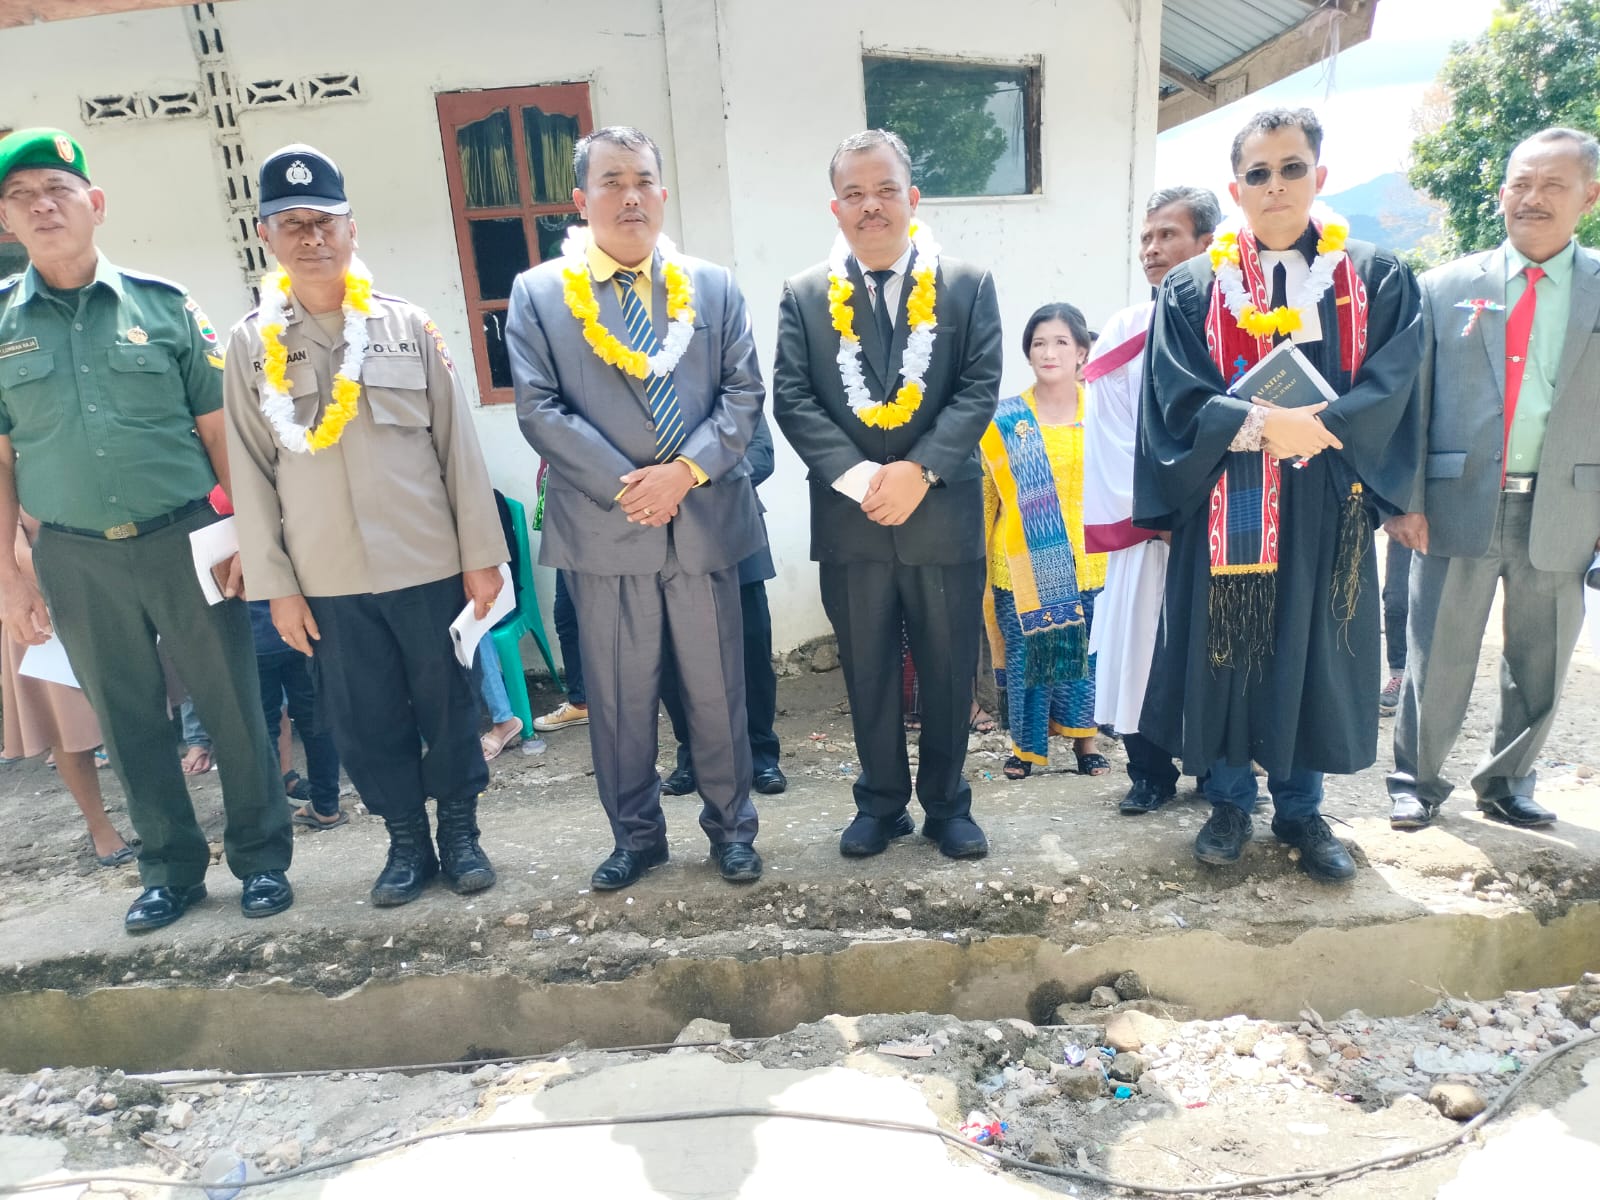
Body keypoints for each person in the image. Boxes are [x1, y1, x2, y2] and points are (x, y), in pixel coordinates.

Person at [0, 128, 294, 933]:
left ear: (94, 205)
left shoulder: (165, 307)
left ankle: (262, 860)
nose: (43, 207)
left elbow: (218, 433)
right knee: (127, 720)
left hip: (187, 537)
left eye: (58, 190)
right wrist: (12, 575)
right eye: (23, 198)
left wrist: (246, 536)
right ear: (5, 222)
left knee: (231, 703)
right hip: (74, 553)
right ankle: (170, 870)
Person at [1134, 107, 1424, 881]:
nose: (1275, 186)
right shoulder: (1195, 287)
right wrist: (1263, 426)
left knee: (1312, 647)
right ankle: (1229, 802)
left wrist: (1321, 426)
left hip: (1328, 505)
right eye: (1258, 173)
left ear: (1319, 177)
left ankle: (1301, 808)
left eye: (1291, 168)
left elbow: (1395, 382)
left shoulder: (1373, 276)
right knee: (1227, 648)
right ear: (1237, 188)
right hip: (1229, 502)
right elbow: (1174, 396)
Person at [223, 143, 508, 906]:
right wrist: (276, 589)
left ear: (353, 230)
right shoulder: (252, 345)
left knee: (450, 705)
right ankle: (405, 845)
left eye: (325, 221)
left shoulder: (407, 327)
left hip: (428, 564)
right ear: (267, 236)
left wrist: (483, 557)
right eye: (292, 224)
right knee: (362, 718)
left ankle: (459, 832)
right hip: (329, 577)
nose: (311, 237)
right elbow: (250, 476)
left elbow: (459, 450)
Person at [508, 125, 766, 889]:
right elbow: (539, 408)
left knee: (719, 693)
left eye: (644, 179)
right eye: (612, 181)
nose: (630, 195)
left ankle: (732, 830)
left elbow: (742, 394)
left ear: (661, 192)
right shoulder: (540, 294)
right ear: (581, 200)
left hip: (701, 525)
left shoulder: (711, 286)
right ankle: (636, 835)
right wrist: (635, 484)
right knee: (618, 703)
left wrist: (683, 473)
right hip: (604, 529)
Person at [773, 129, 1001, 859]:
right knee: (867, 671)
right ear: (834, 207)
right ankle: (879, 803)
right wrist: (863, 479)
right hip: (853, 522)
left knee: (946, 670)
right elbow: (794, 397)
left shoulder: (966, 285)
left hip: (942, 517)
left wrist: (919, 470)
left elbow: (977, 387)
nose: (872, 206)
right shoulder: (805, 296)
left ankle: (947, 805)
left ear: (914, 197)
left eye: (886, 190)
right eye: (855, 193)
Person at [1385, 126, 1600, 831]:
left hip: (1568, 507)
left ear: (1588, 196)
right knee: (1437, 651)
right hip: (1454, 502)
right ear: (1503, 191)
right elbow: (1411, 402)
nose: (1531, 199)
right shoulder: (1445, 287)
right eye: (1520, 184)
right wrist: (1405, 501)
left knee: (1540, 660)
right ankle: (1415, 779)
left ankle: (1508, 781)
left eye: (1552, 185)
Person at [1083, 186, 1220, 814]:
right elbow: (1110, 434)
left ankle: (1220, 769)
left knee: (1222, 644)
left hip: (1224, 524)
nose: (1153, 249)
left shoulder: (1238, 323)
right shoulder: (1126, 330)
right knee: (1140, 643)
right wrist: (1159, 516)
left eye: (1168, 235)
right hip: (1150, 529)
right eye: (1146, 238)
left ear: (1206, 243)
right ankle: (1149, 772)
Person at [981, 302, 1108, 780]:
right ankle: (1025, 749)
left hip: (1090, 558)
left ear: (1081, 352)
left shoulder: (1103, 414)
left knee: (1083, 657)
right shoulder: (1005, 419)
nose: (1048, 352)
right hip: (1021, 561)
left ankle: (1085, 744)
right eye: (1038, 343)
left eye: (1060, 342)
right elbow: (986, 497)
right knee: (1028, 657)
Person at [660, 412, 785, 797]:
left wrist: (692, 479)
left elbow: (761, 455)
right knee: (672, 658)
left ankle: (761, 754)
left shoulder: (725, 384)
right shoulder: (641, 396)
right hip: (663, 539)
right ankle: (694, 756)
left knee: (750, 649)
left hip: (733, 533)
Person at [1, 519, 134, 866]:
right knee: (68, 730)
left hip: (108, 595)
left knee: (134, 715)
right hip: (40, 609)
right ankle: (100, 828)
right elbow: (17, 554)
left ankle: (157, 818)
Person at [247, 598, 346, 828]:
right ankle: (326, 806)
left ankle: (272, 818)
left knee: (261, 727)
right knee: (316, 718)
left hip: (251, 636)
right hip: (300, 628)